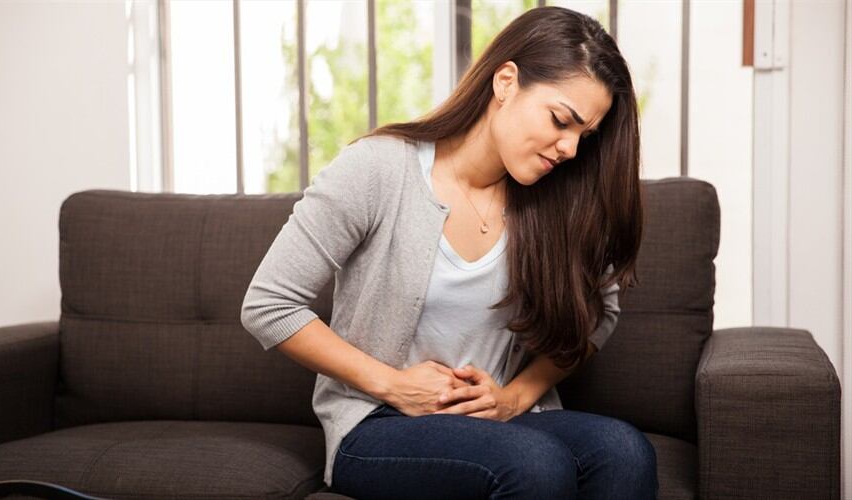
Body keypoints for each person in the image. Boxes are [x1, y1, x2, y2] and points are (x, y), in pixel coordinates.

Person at [241, 5, 657, 499]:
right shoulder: (380, 169)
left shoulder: (557, 198)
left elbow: (600, 312)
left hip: (499, 425)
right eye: (560, 120)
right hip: (379, 424)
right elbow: (267, 305)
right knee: (533, 463)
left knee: (625, 450)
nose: (569, 148)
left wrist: (513, 397)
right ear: (506, 82)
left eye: (583, 136)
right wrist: (393, 385)